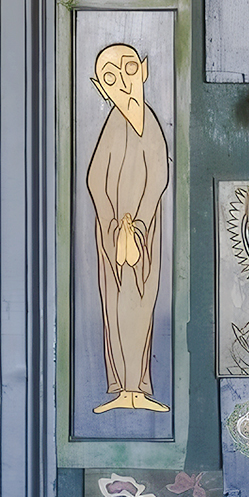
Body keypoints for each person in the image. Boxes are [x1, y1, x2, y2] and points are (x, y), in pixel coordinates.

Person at [86, 43, 171, 414]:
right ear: (100, 86)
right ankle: (123, 387)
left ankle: (139, 387)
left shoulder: (149, 122)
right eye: (110, 77)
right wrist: (113, 224)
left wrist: (136, 225)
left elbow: (158, 178)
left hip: (143, 230)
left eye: (128, 69)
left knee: (140, 300)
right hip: (111, 231)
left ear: (145, 70)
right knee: (114, 301)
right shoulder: (112, 124)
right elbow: (94, 179)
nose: (122, 82)